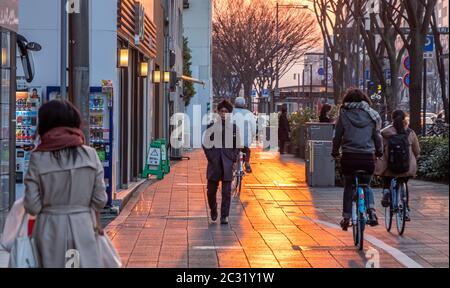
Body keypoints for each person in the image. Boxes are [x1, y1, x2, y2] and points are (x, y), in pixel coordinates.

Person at [24, 100, 108, 267]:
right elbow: (100, 200)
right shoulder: (90, 155)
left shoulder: (38, 158)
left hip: (49, 229)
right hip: (83, 227)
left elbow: (32, 206)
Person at [332, 88, 383, 231]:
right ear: (365, 100)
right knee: (366, 185)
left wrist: (335, 152)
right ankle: (372, 212)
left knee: (349, 186)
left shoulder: (344, 115)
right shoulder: (373, 116)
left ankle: (346, 217)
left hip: (349, 157)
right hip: (367, 157)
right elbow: (377, 137)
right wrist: (379, 152)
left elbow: (337, 137)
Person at [375, 110, 420, 221]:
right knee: (403, 181)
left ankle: (386, 191)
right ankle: (406, 209)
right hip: (406, 168)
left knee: (387, 179)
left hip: (389, 168)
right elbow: (417, 150)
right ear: (405, 118)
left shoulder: (385, 133)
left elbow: (379, 149)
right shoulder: (410, 132)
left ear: (392, 118)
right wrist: (415, 157)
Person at [203, 100, 241, 225]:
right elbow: (206, 144)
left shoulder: (234, 128)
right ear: (218, 112)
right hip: (214, 163)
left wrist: (233, 158)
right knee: (211, 191)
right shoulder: (211, 126)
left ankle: (224, 216)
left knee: (226, 192)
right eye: (222, 111)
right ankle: (213, 209)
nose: (224, 113)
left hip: (227, 163)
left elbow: (237, 146)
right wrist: (211, 157)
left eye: (226, 111)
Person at [233, 97, 257, 173]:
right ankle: (246, 162)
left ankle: (232, 164)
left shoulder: (231, 112)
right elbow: (253, 127)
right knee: (247, 150)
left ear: (235, 104)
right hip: (245, 140)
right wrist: (253, 135)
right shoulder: (249, 113)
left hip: (232, 140)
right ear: (244, 104)